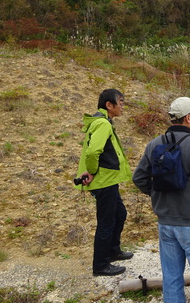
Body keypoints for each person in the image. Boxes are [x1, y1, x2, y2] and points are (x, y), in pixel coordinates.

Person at [132, 97, 190, 302]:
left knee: (172, 279)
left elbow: (138, 178)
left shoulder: (154, 144)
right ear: (188, 118)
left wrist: (156, 194)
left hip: (165, 222)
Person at [75, 89, 133, 276]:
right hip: (103, 181)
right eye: (121, 102)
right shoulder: (103, 124)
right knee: (106, 223)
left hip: (108, 180)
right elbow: (93, 152)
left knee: (120, 214)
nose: (123, 106)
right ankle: (100, 265)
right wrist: (91, 172)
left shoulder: (103, 122)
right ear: (109, 105)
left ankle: (113, 251)